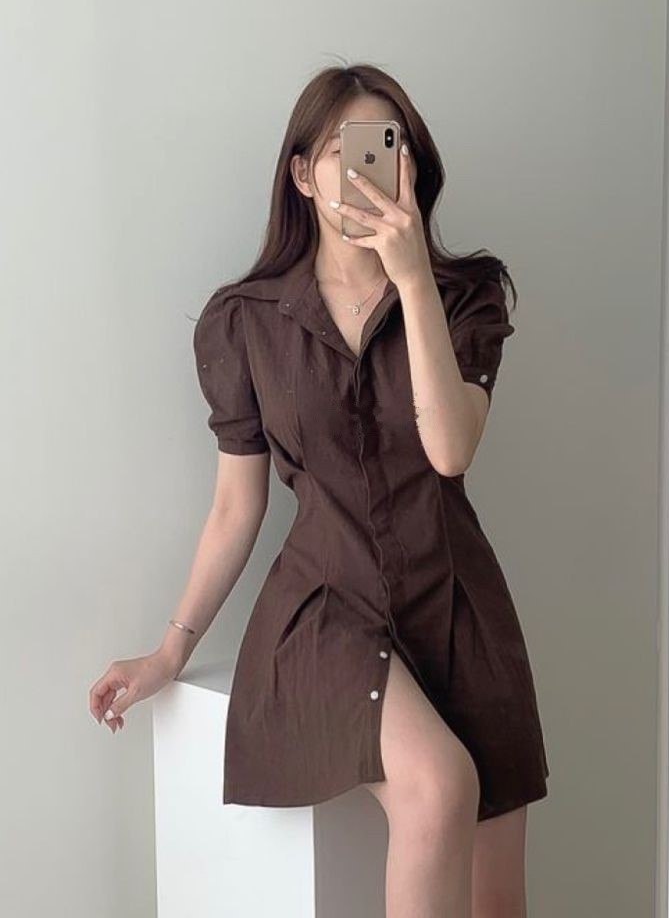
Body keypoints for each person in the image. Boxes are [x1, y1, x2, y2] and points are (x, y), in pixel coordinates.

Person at [89, 62, 549, 917]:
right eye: (345, 149)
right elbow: (237, 505)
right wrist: (169, 651)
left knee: (497, 903)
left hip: (458, 603)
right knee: (439, 786)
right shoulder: (246, 321)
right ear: (303, 174)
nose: (369, 167)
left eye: (388, 146)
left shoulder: (464, 296)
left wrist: (412, 280)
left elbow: (450, 451)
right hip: (327, 605)